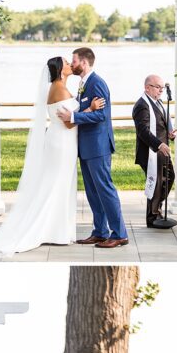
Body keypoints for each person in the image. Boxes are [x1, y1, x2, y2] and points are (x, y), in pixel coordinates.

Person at [0, 56, 104, 259]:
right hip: (61, 142)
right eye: (67, 63)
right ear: (60, 70)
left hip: (63, 141)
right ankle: (49, 230)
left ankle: (57, 230)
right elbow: (68, 123)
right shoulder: (59, 88)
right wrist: (90, 109)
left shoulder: (60, 87)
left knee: (62, 184)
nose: (70, 65)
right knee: (55, 184)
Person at [56, 47, 128, 248]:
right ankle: (100, 232)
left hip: (98, 146)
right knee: (92, 192)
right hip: (86, 147)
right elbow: (89, 109)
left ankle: (119, 234)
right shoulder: (82, 84)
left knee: (105, 190)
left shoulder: (97, 83)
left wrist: (72, 117)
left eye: (74, 61)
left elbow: (101, 116)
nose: (72, 64)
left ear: (84, 63)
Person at [131, 75, 177, 229]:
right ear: (147, 87)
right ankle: (152, 218)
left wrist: (170, 134)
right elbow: (143, 131)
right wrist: (159, 145)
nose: (161, 90)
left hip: (161, 150)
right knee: (156, 183)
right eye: (158, 87)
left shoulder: (158, 102)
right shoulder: (141, 106)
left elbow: (161, 124)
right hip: (151, 151)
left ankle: (156, 209)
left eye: (162, 88)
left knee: (168, 178)